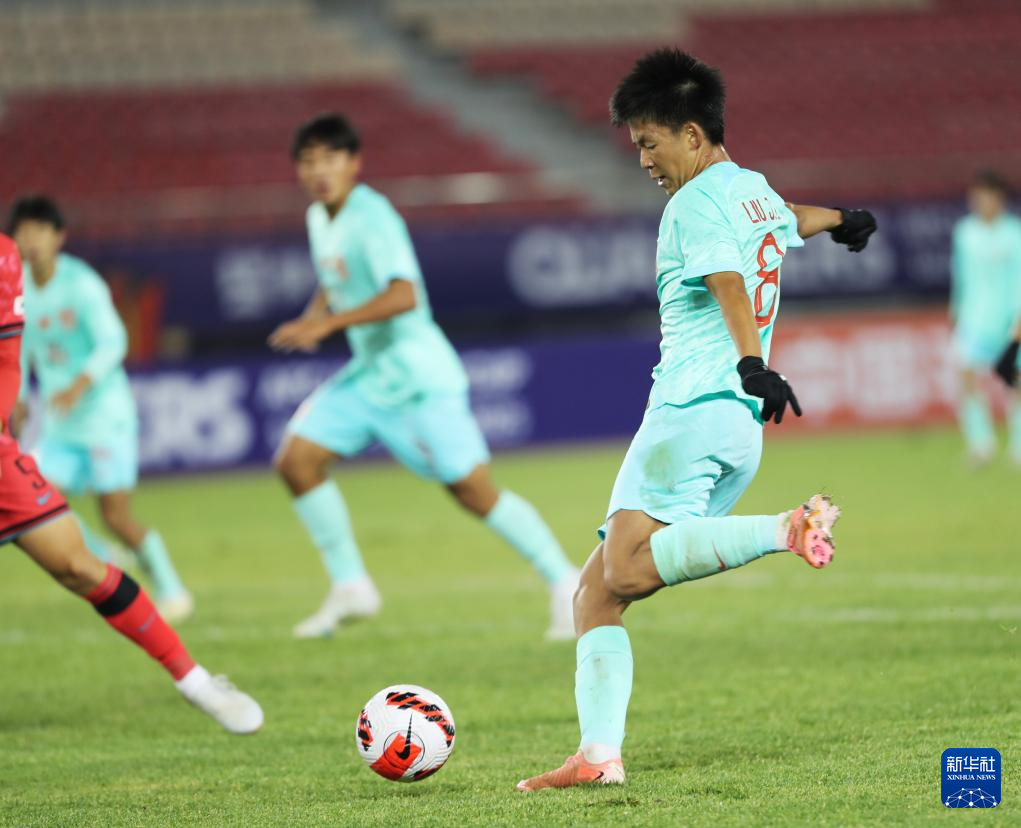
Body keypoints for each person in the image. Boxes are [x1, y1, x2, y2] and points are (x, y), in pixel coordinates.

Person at [515, 48, 877, 791]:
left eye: (649, 143)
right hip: (736, 430)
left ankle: (787, 528)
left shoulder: (692, 204)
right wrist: (843, 220)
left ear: (690, 133)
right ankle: (598, 756)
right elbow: (788, 222)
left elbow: (727, 281)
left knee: (622, 568)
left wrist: (751, 363)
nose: (643, 161)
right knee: (597, 594)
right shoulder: (752, 190)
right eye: (635, 146)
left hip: (690, 410)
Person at [269, 114, 579, 640]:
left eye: (330, 158)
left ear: (354, 162)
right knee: (297, 461)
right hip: (370, 375)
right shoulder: (319, 217)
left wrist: (329, 324)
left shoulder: (374, 218)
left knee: (473, 490)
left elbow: (403, 294)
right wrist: (314, 314)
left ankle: (565, 582)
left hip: (417, 378)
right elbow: (334, 275)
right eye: (308, 161)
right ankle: (351, 586)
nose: (319, 171)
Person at [0, 231, 262, 733]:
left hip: (96, 423)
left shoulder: (17, 263)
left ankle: (194, 679)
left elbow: (13, 356)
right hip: (61, 428)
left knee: (86, 556)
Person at [8, 196, 193, 622]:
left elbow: (114, 341)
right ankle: (104, 556)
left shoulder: (82, 284)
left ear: (59, 237)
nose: (31, 240)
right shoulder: (17, 289)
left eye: (40, 231)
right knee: (36, 500)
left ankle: (172, 589)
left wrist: (79, 384)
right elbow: (20, 349)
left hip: (106, 419)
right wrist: (17, 398)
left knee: (116, 516)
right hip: (61, 425)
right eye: (23, 232)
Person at [949, 170, 1021, 465]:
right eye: (977, 197)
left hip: (1010, 319)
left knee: (1015, 382)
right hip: (975, 318)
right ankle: (981, 443)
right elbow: (961, 275)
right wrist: (956, 310)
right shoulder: (965, 232)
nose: (982, 203)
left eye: (988, 197)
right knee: (966, 377)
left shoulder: (1015, 233)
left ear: (1000, 199)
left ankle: (1018, 446)